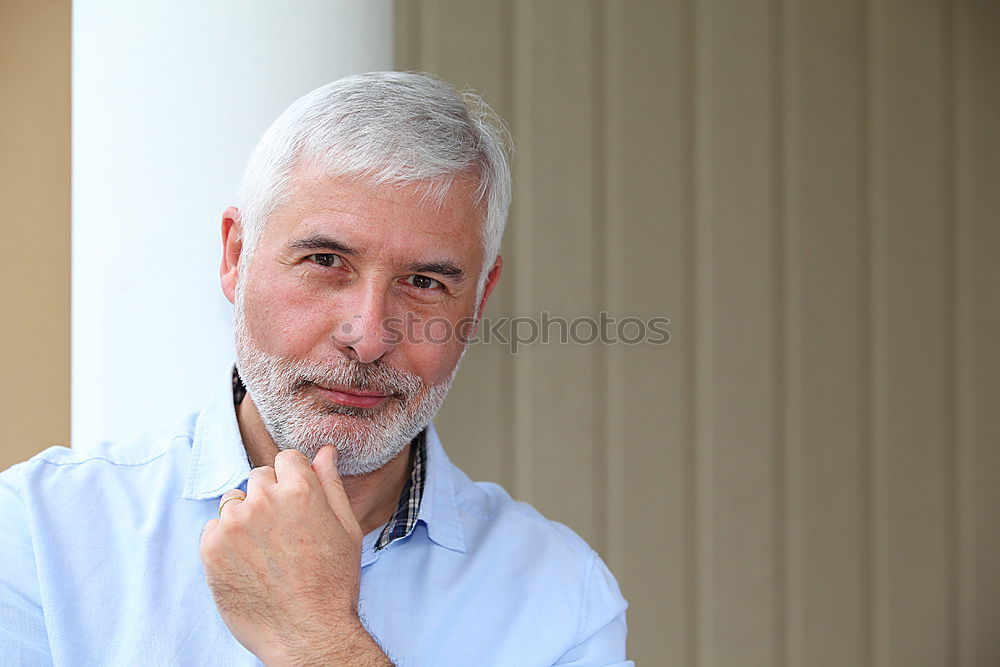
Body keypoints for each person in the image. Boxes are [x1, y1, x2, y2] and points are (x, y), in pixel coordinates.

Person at [0, 71, 630, 666]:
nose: (368, 337)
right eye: (327, 260)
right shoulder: (39, 535)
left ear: (481, 299)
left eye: (423, 281)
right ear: (236, 257)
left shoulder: (562, 600)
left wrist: (321, 640)